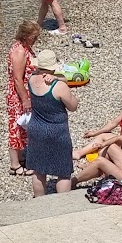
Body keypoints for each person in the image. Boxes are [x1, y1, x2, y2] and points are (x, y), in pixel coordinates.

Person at [24, 48, 77, 197]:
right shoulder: (59, 86)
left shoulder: (31, 79)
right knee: (63, 171)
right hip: (57, 131)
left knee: (38, 170)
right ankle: (62, 204)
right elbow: (73, 106)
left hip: (36, 128)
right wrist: (59, 80)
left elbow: (62, 78)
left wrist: (57, 78)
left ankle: (40, 202)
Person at [6, 20, 40, 176]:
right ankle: (15, 164)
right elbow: (18, 79)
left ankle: (20, 158)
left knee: (23, 126)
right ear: (25, 35)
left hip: (24, 93)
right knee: (17, 126)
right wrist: (25, 99)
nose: (36, 39)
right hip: (19, 95)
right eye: (34, 36)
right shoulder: (19, 51)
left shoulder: (25, 48)